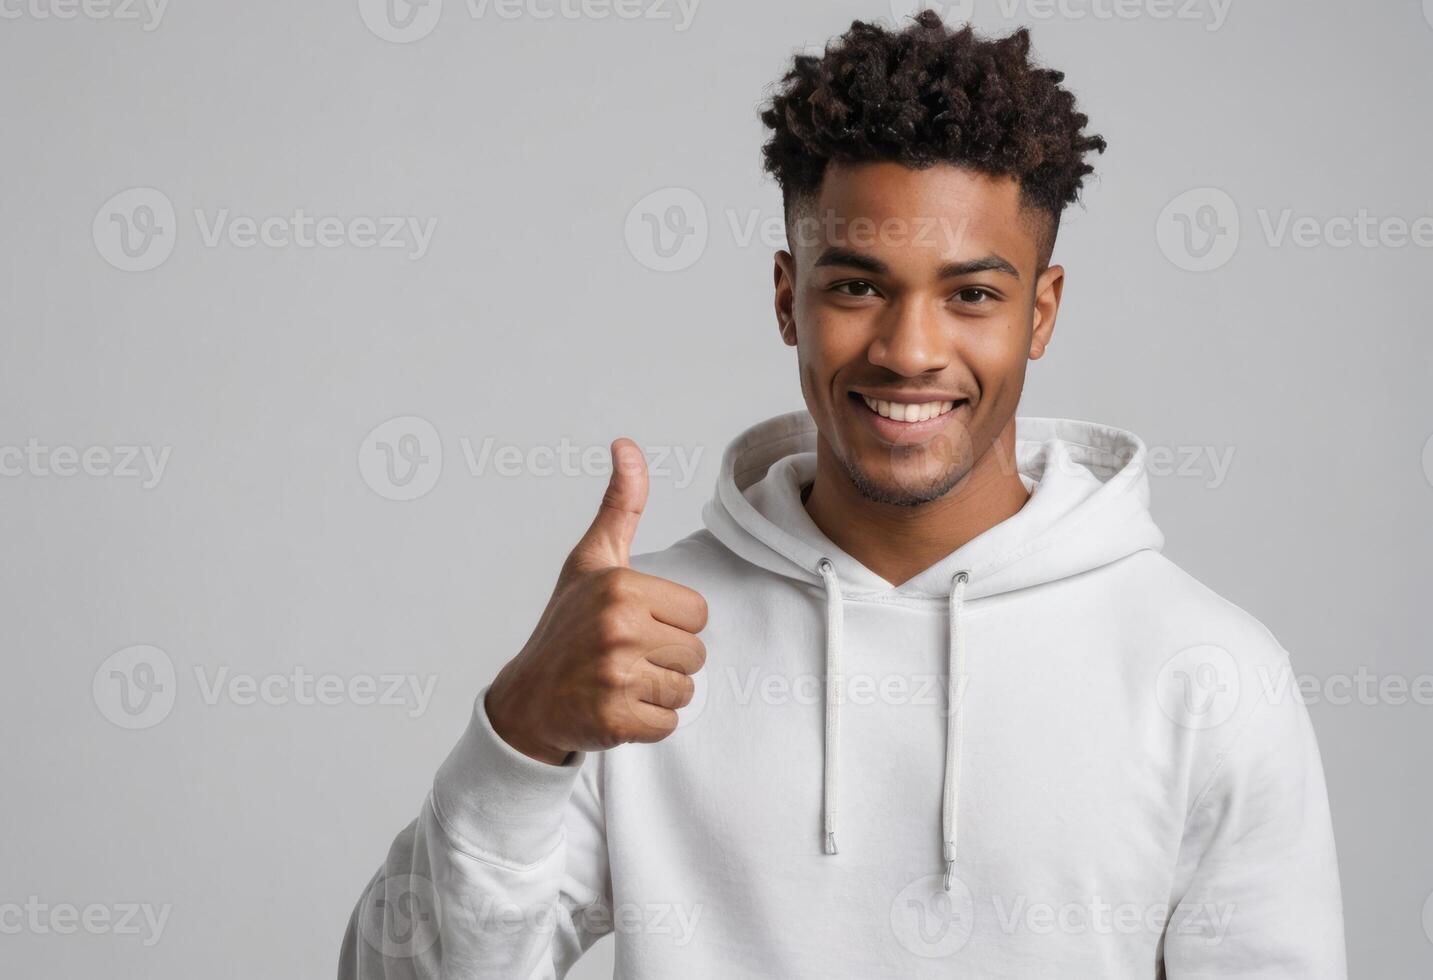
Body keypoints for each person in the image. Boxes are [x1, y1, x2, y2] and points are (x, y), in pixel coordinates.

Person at [339, 13, 1346, 978]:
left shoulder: (1208, 673)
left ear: (1039, 311)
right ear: (788, 296)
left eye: (971, 294)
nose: (909, 351)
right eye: (857, 286)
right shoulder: (637, 644)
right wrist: (517, 730)